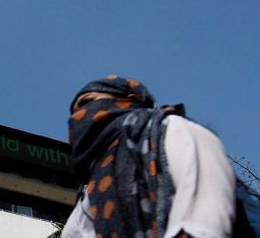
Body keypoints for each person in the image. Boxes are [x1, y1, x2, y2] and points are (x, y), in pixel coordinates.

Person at [62, 75, 236, 238]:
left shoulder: (171, 130)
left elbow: (205, 210)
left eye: (87, 102)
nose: (79, 116)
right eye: (74, 114)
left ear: (128, 99)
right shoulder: (90, 193)